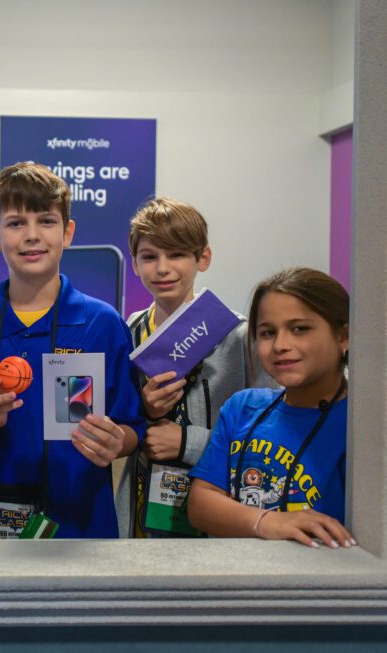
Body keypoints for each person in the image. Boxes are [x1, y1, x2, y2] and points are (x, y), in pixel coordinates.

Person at [0, 162, 144, 538]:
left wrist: (118, 442)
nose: (32, 236)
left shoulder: (102, 324)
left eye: (47, 221)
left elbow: (133, 428)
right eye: (16, 223)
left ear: (68, 232)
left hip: (85, 527)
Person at [115, 197, 274, 538]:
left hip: (219, 514)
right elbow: (117, 421)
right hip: (143, 514)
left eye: (176, 254)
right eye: (149, 257)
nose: (162, 268)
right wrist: (141, 410)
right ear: (134, 264)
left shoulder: (239, 336)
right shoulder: (128, 332)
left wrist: (188, 441)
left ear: (203, 258)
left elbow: (269, 436)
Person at [188, 267, 356, 549]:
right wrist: (267, 522)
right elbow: (201, 504)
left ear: (343, 336)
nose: (280, 345)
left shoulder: (359, 423)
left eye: (299, 329)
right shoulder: (242, 408)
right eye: (267, 333)